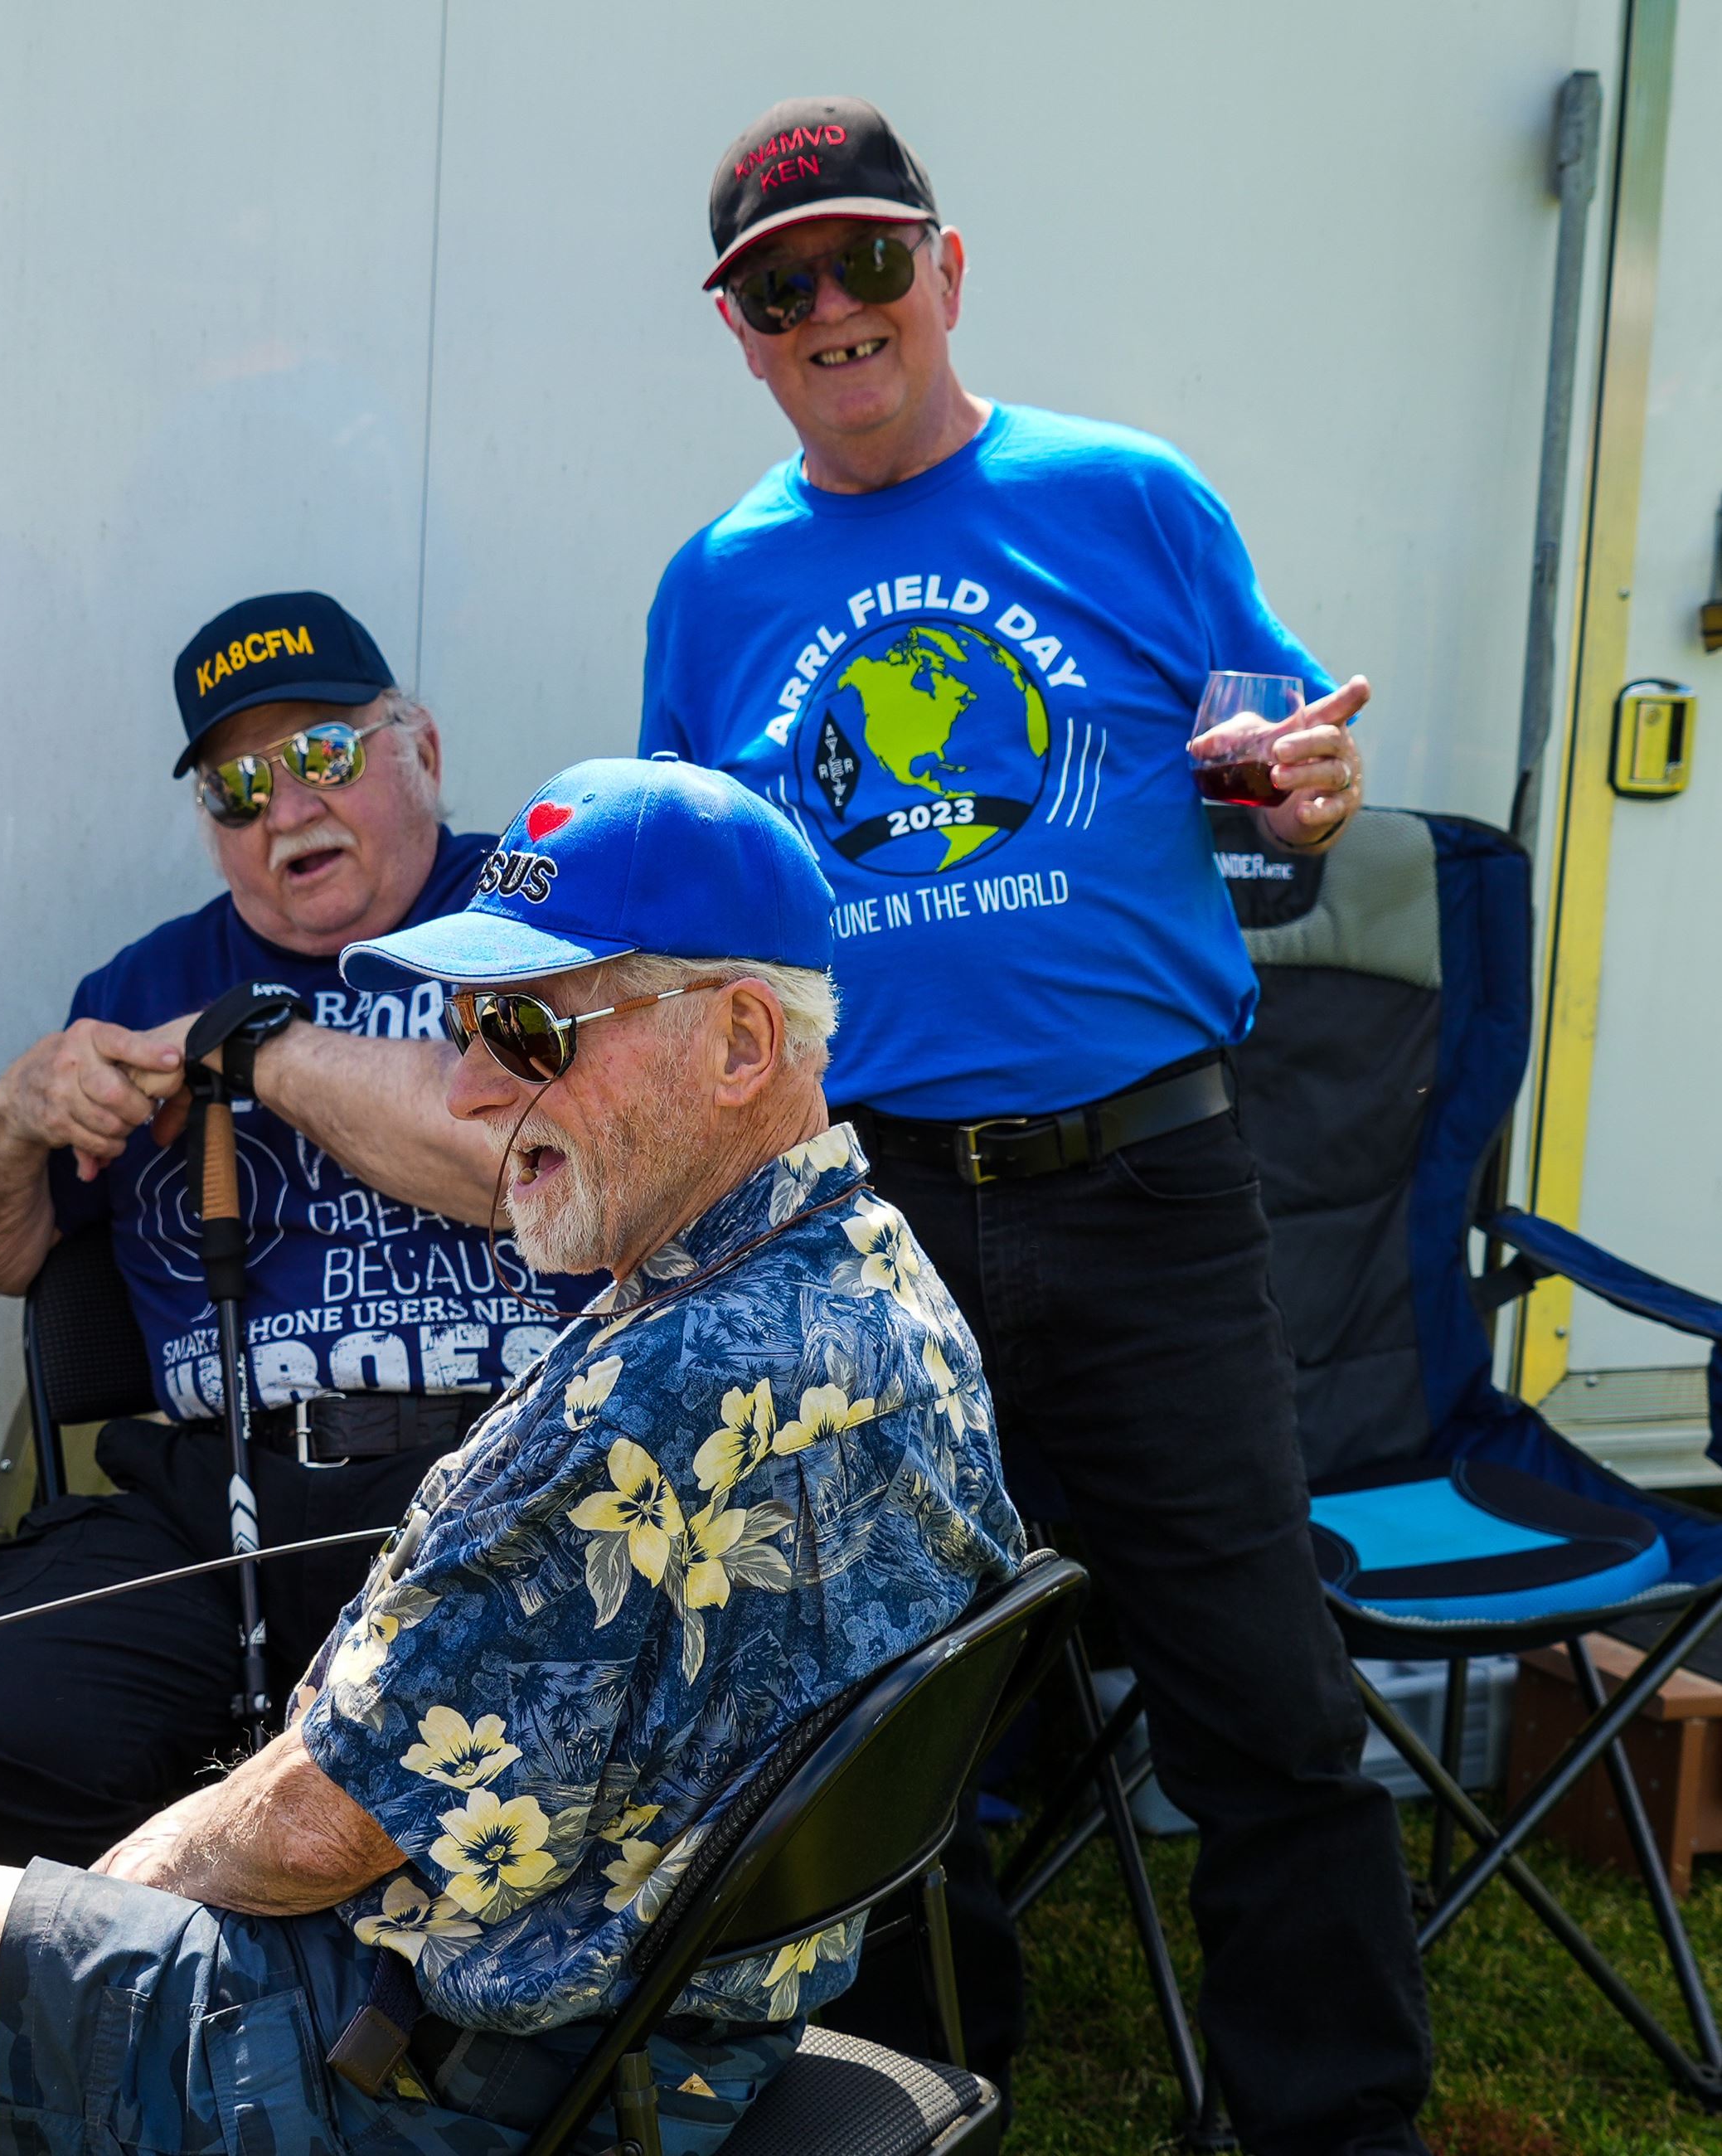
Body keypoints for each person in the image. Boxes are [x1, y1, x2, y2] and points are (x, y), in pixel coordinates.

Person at [0, 755, 1023, 2156]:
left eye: (528, 1033)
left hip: (422, 2075)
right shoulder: (868, 1276)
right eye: (465, 1029)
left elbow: (319, 1831)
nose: (469, 1093)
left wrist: (93, 1910)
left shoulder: (674, 1384)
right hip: (648, 2042)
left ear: (743, 1045)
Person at [639, 95, 1431, 2155]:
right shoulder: (712, 588)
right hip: (866, 1218)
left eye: (866, 259)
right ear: (738, 332)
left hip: (1145, 1187)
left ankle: (1333, 2128)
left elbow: (1272, 772)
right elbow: (692, 915)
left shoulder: (1128, 497)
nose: (831, 308)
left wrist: (1305, 794)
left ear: (946, 270)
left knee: (1267, 1709)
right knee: (882, 1725)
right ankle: (919, 2116)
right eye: (778, 286)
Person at [0, 590, 573, 1868]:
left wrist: (269, 1051)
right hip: (226, 1490)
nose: (286, 809)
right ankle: (193, 1971)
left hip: (512, 1466)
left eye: (323, 756)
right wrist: (11, 1118)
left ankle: (355, 1967)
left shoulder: (536, 923)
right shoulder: (142, 985)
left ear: (421, 749)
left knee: (512, 1741)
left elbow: (536, 1161)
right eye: (237, 787)